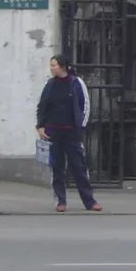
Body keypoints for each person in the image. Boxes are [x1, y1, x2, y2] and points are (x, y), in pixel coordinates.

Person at [35, 54, 102, 213]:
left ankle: (89, 201)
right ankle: (60, 200)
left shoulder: (76, 83)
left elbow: (85, 105)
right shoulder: (50, 85)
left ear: (63, 66)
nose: (51, 68)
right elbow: (42, 106)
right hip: (53, 132)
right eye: (51, 65)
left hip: (71, 132)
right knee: (57, 167)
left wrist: (81, 128)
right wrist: (41, 126)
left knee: (78, 166)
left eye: (54, 65)